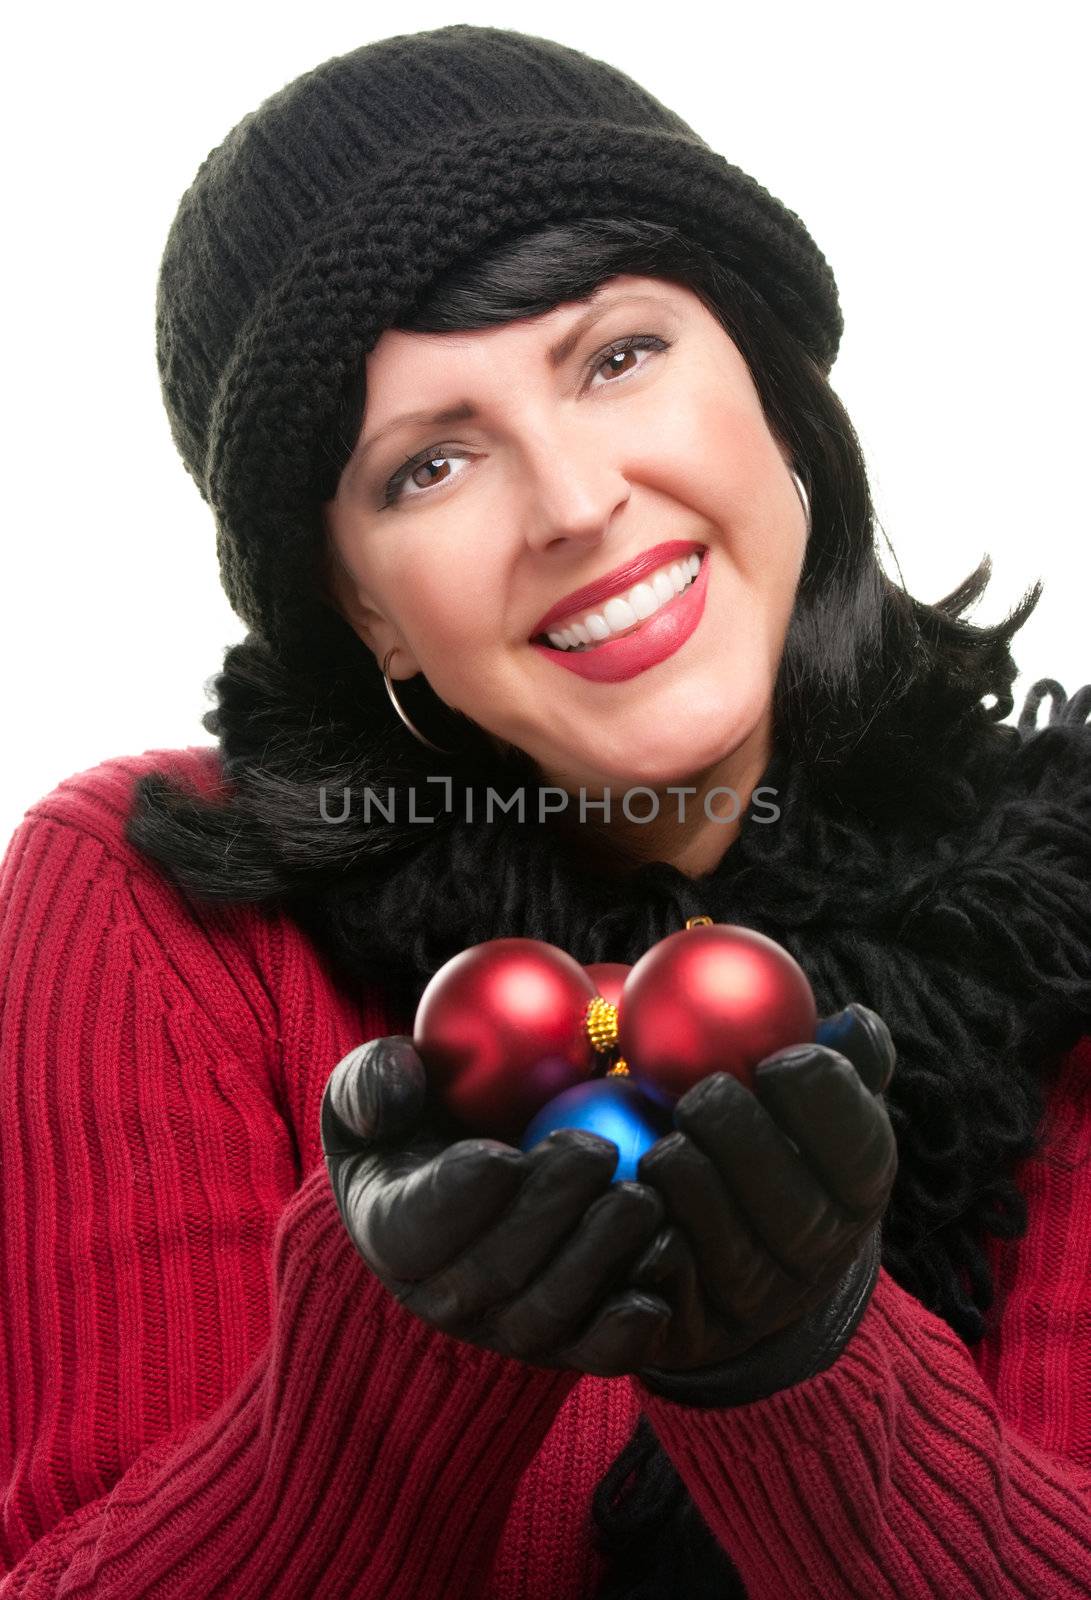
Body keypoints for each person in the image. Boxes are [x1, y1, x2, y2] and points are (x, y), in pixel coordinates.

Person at [1, 23, 1088, 1599]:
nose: (575, 503)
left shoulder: (1058, 924)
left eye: (617, 355)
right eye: (429, 465)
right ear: (360, 608)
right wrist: (380, 1383)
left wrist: (803, 1370)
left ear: (772, 384)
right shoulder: (154, 916)